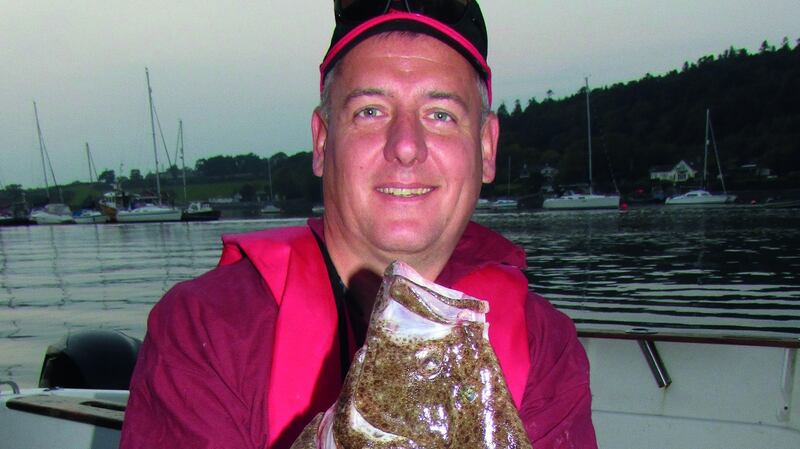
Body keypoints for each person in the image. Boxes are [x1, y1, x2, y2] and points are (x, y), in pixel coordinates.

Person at [120, 1, 597, 448]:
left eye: (440, 114)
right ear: (323, 142)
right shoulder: (206, 330)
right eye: (371, 111)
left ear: (487, 148)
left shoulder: (543, 345)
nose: (406, 146)